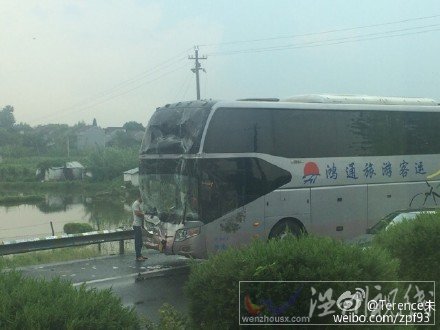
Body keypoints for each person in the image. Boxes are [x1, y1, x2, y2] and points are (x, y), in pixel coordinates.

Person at [132, 195, 147, 261]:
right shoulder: (136, 203)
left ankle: (140, 255)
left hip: (140, 225)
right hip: (136, 225)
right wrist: (145, 214)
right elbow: (137, 213)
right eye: (142, 197)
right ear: (139, 197)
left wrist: (143, 226)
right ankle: (138, 256)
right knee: (137, 241)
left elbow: (142, 215)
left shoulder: (140, 204)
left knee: (140, 242)